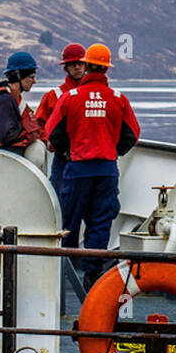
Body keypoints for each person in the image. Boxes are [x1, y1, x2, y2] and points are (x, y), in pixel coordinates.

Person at [44, 43, 140, 288]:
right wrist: (112, 149)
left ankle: (62, 277)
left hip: (77, 170)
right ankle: (92, 276)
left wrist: (70, 148)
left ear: (86, 66)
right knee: (100, 224)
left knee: (68, 223)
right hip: (107, 170)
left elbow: (52, 133)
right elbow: (132, 135)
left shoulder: (70, 98)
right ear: (107, 70)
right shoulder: (118, 99)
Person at [35, 42, 87, 196]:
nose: (77, 67)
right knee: (57, 199)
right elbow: (39, 125)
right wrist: (51, 142)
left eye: (80, 63)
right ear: (66, 68)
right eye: (73, 64)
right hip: (62, 159)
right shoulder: (53, 96)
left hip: (88, 159)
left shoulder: (95, 94)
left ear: (86, 65)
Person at [0, 51, 40, 154]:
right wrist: (30, 134)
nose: (34, 81)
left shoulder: (11, 97)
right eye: (31, 77)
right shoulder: (5, 100)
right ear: (19, 76)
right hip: (7, 158)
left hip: (9, 156)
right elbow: (5, 135)